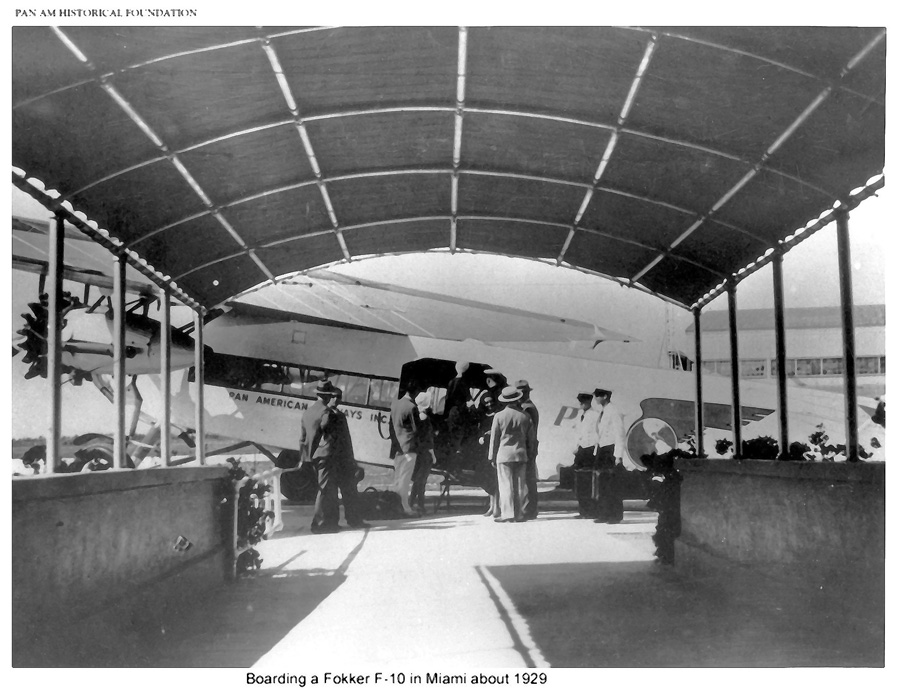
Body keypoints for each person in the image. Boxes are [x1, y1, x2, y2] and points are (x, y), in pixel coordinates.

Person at [488, 385, 537, 522]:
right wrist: (530, 454)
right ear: (517, 399)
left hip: (503, 455)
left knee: (505, 485)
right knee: (520, 486)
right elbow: (531, 440)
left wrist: (491, 456)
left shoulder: (499, 416)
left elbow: (494, 438)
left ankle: (507, 514)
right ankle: (519, 513)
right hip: (521, 454)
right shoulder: (525, 416)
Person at [300, 379, 342, 534]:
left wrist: (305, 458)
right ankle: (318, 523)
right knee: (324, 489)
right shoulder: (327, 413)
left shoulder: (307, 412)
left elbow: (303, 438)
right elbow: (328, 434)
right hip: (326, 455)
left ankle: (329, 522)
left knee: (326, 488)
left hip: (312, 456)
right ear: (327, 396)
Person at [329, 388, 369, 529]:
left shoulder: (339, 415)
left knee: (350, 491)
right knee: (334, 493)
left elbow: (346, 440)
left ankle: (354, 519)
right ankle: (337, 522)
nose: (337, 400)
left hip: (344, 460)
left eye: (339, 397)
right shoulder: (329, 415)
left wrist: (352, 460)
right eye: (334, 396)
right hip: (334, 460)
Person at [592, 388, 629, 524]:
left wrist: (618, 455)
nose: (595, 398)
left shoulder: (614, 411)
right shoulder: (602, 412)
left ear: (605, 396)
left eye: (598, 395)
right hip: (603, 449)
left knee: (612, 484)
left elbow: (619, 434)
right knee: (603, 484)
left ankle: (615, 515)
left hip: (611, 450)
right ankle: (604, 513)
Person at [389, 380, 421, 516]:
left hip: (398, 448)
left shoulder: (395, 404)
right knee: (405, 480)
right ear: (414, 392)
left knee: (398, 479)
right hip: (409, 447)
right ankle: (405, 508)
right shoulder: (411, 407)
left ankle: (395, 506)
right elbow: (416, 429)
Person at [571, 391, 601, 517]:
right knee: (580, 481)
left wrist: (595, 449)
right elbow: (578, 433)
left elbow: (598, 432)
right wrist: (576, 447)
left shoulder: (595, 415)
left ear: (589, 402)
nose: (581, 404)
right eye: (580, 402)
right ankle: (583, 510)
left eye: (584, 402)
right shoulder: (580, 415)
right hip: (581, 450)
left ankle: (591, 510)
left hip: (590, 449)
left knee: (590, 481)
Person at [410, 391, 437, 515]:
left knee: (418, 480)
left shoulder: (415, 415)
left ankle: (412, 503)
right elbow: (428, 438)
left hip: (417, 451)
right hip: (425, 453)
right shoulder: (424, 417)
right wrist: (433, 454)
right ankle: (420, 505)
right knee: (422, 480)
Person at [517, 379, 540, 520]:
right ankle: (530, 509)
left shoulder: (527, 409)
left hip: (528, 446)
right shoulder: (529, 407)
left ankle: (529, 509)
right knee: (529, 479)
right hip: (530, 445)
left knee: (528, 479)